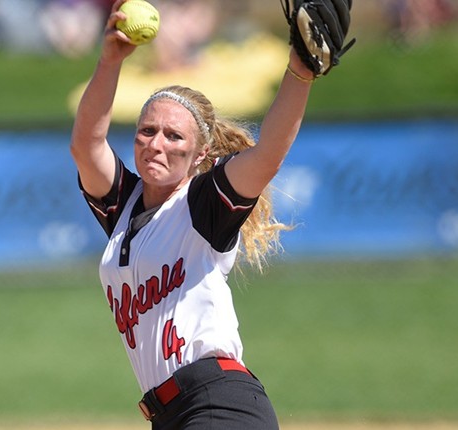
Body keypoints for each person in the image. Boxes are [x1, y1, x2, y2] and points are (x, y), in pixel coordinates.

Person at [69, 0, 316, 427]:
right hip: (170, 415)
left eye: (173, 135)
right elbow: (87, 145)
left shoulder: (203, 205)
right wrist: (110, 61)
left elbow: (268, 154)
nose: (156, 143)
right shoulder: (123, 209)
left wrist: (301, 72)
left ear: (201, 153)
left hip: (219, 403)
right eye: (147, 131)